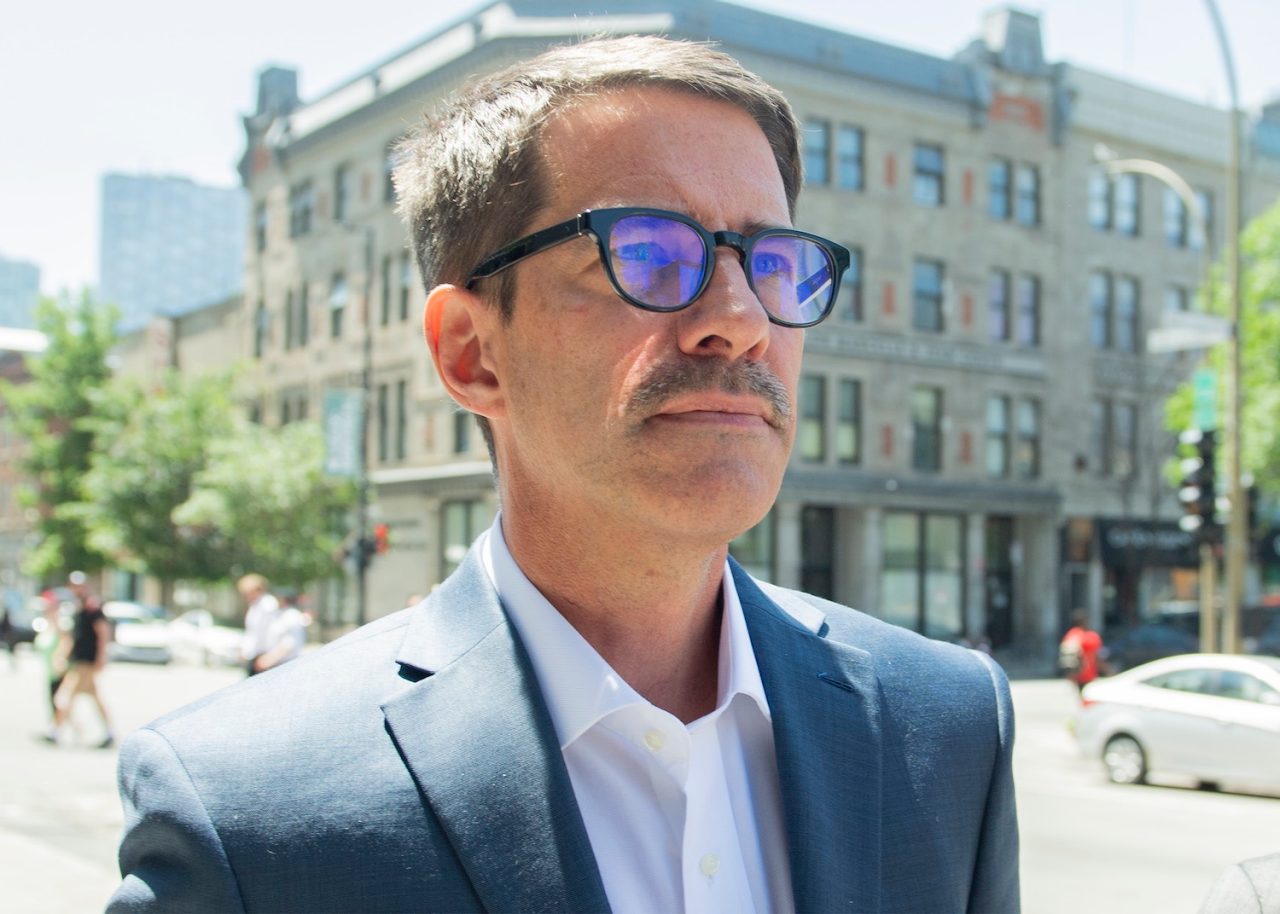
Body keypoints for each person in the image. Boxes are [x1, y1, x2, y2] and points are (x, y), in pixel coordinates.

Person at [111, 36, 1019, 913]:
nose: (740, 321)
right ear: (472, 353)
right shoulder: (249, 813)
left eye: (775, 263)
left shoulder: (947, 726)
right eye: (648, 255)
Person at [52, 571, 114, 748]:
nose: (76, 589)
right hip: (79, 660)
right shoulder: (78, 607)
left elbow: (103, 632)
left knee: (65, 695)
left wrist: (102, 656)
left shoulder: (92, 607)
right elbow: (74, 636)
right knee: (93, 697)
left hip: (86, 661)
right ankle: (108, 732)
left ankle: (55, 731)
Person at [237, 574, 305, 676]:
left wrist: (271, 657)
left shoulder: (268, 606)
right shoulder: (255, 607)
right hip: (259, 657)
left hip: (269, 658)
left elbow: (284, 637)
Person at [1059, 609, 1106, 697]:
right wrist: (1108, 671)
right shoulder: (1089, 636)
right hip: (1088, 675)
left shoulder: (1070, 635)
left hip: (1076, 675)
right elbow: (1097, 657)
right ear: (1084, 621)